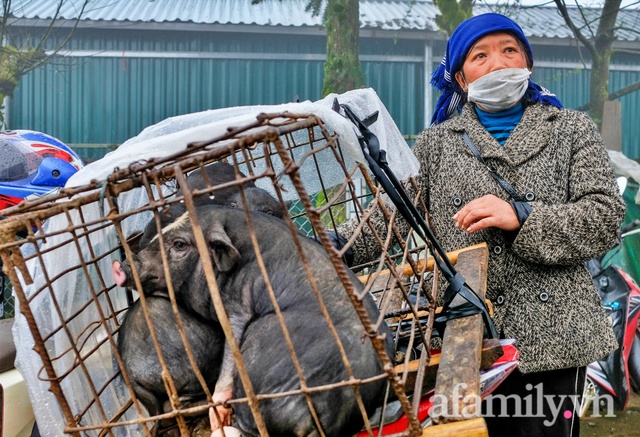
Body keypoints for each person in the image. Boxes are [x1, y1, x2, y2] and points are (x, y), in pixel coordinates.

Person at [339, 12, 625, 437]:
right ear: (460, 78)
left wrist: (522, 215)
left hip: (556, 334)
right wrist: (327, 245)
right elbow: (392, 218)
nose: (498, 63)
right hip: (464, 335)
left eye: (510, 50)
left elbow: (604, 217)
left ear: (528, 64)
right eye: (480, 56)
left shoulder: (571, 130)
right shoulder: (437, 143)